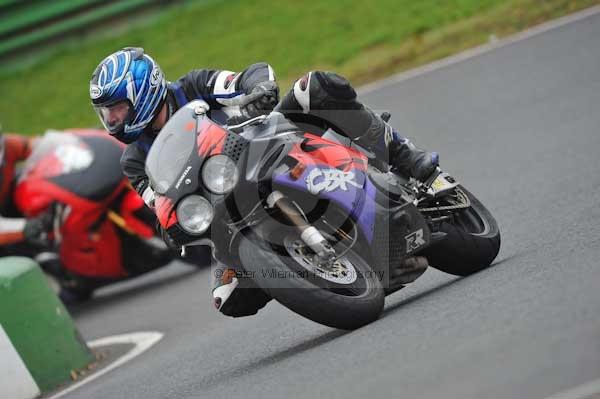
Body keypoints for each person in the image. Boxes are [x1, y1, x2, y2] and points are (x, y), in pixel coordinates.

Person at [90, 47, 438, 317]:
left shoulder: (193, 86)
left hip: (266, 145)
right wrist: (170, 226)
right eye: (106, 113)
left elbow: (245, 77)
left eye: (117, 108)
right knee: (228, 298)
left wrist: (259, 88)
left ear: (144, 92)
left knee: (316, 87)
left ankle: (406, 157)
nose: (112, 119)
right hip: (223, 208)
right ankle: (304, 271)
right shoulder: (134, 161)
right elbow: (157, 201)